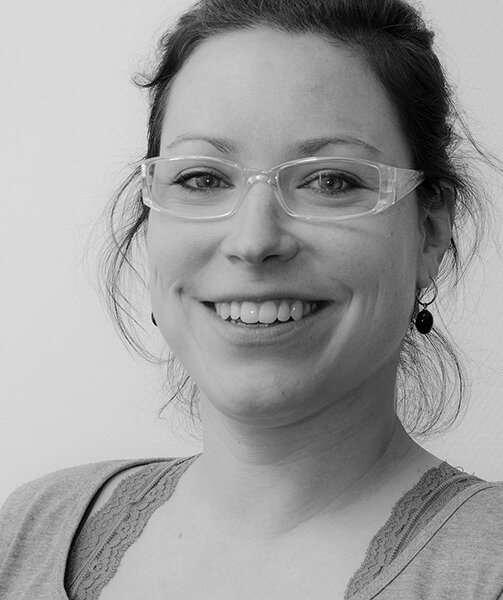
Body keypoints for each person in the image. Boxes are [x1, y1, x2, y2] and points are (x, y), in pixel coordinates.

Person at [1, 0, 502, 598]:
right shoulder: (30, 532)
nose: (253, 241)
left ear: (431, 230)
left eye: (332, 181)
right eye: (203, 178)